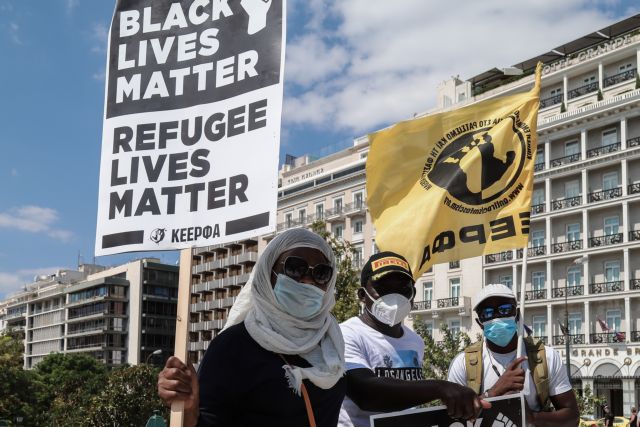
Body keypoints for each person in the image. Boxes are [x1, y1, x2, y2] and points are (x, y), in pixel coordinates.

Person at [158, 228, 346, 427]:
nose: (307, 280)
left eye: (321, 273)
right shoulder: (232, 346)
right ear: (268, 273)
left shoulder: (330, 339)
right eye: (295, 268)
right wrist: (188, 410)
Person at [338, 251, 489, 427]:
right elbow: (365, 394)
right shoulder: (346, 334)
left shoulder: (415, 341)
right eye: (383, 288)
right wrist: (439, 388)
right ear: (362, 295)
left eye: (403, 288)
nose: (394, 296)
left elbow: (410, 397)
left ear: (413, 293)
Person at [447, 283, 579, 427]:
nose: (497, 317)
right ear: (480, 323)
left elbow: (572, 417)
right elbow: (452, 421)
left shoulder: (546, 357)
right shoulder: (462, 364)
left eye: (505, 309)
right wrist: (494, 392)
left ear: (517, 314)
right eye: (487, 313)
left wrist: (531, 418)